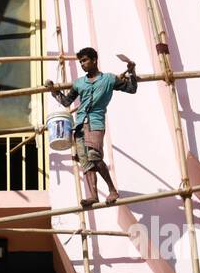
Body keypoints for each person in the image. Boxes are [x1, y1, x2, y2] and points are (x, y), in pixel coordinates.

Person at [45, 47, 139, 205]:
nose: (82, 64)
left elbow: (132, 89)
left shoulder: (109, 79)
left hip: (95, 122)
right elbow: (67, 102)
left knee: (94, 157)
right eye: (80, 61)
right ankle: (93, 196)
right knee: (86, 163)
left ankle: (112, 190)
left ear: (94, 60)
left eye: (85, 60)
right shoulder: (79, 83)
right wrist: (54, 91)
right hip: (80, 125)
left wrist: (132, 72)